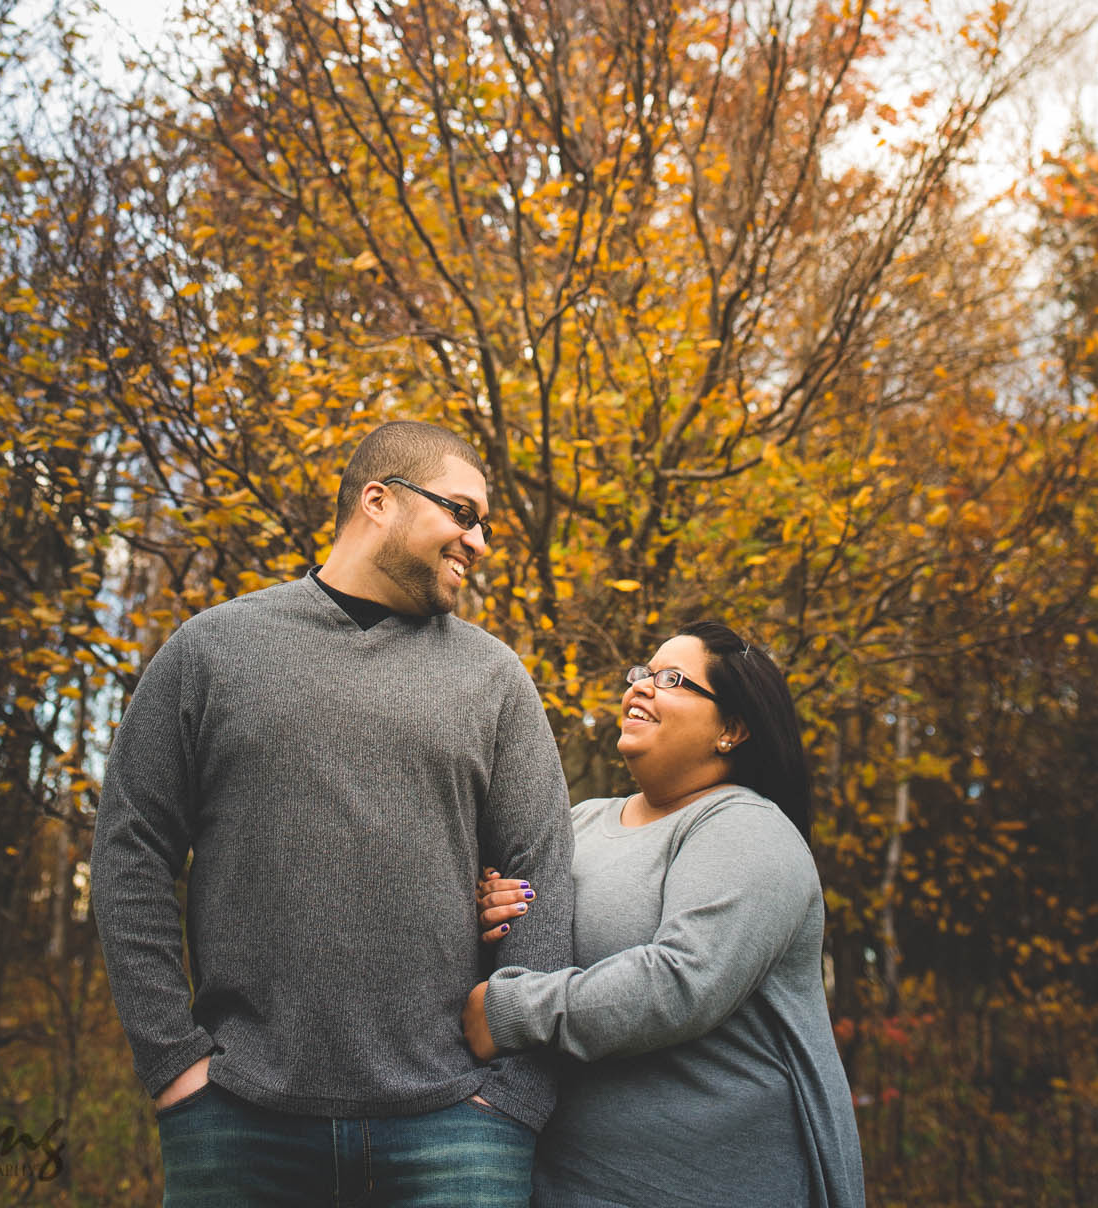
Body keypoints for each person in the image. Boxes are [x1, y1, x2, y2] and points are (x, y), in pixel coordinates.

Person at [90, 419, 575, 1207]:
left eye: (481, 522)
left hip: (458, 1130)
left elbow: (540, 876)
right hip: (238, 1123)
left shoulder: (493, 677)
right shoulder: (214, 650)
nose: (478, 540)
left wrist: (516, 1094)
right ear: (378, 500)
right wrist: (172, 1062)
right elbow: (129, 849)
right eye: (461, 511)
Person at [461, 620, 866, 1208]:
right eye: (642, 674)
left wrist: (512, 1012)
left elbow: (683, 980)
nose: (642, 688)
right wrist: (491, 910)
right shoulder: (582, 822)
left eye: (673, 679)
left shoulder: (747, 829)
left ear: (731, 729)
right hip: (566, 1185)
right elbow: (527, 932)